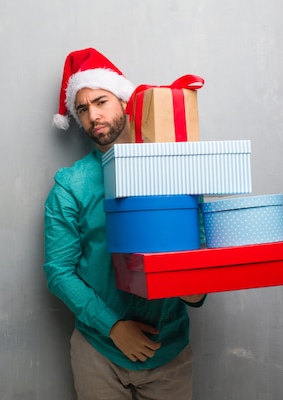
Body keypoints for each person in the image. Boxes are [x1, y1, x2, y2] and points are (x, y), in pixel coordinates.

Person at [43, 48, 206, 400]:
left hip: (170, 349)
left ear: (123, 101)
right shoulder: (71, 185)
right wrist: (112, 326)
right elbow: (59, 271)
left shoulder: (176, 167)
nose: (93, 116)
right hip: (99, 351)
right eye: (83, 109)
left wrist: (196, 288)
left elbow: (199, 244)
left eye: (100, 101)